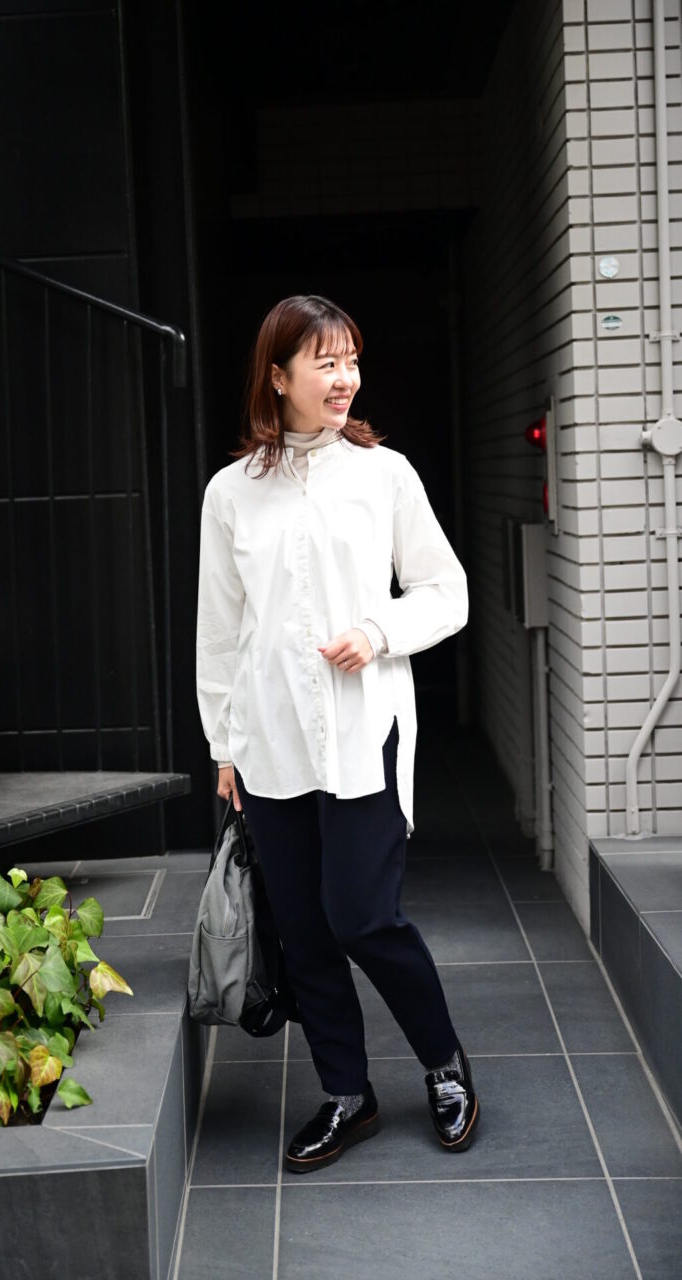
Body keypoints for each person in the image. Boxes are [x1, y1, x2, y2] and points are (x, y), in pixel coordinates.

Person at [195, 294, 480, 1173]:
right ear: (277, 377)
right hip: (270, 740)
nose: (344, 377)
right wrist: (223, 745)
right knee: (304, 931)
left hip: (364, 731)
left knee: (363, 917)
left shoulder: (383, 475)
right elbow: (220, 631)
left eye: (350, 359)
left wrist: (378, 632)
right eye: (324, 362)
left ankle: (443, 1064)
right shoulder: (229, 494)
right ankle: (346, 1095)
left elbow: (445, 592)